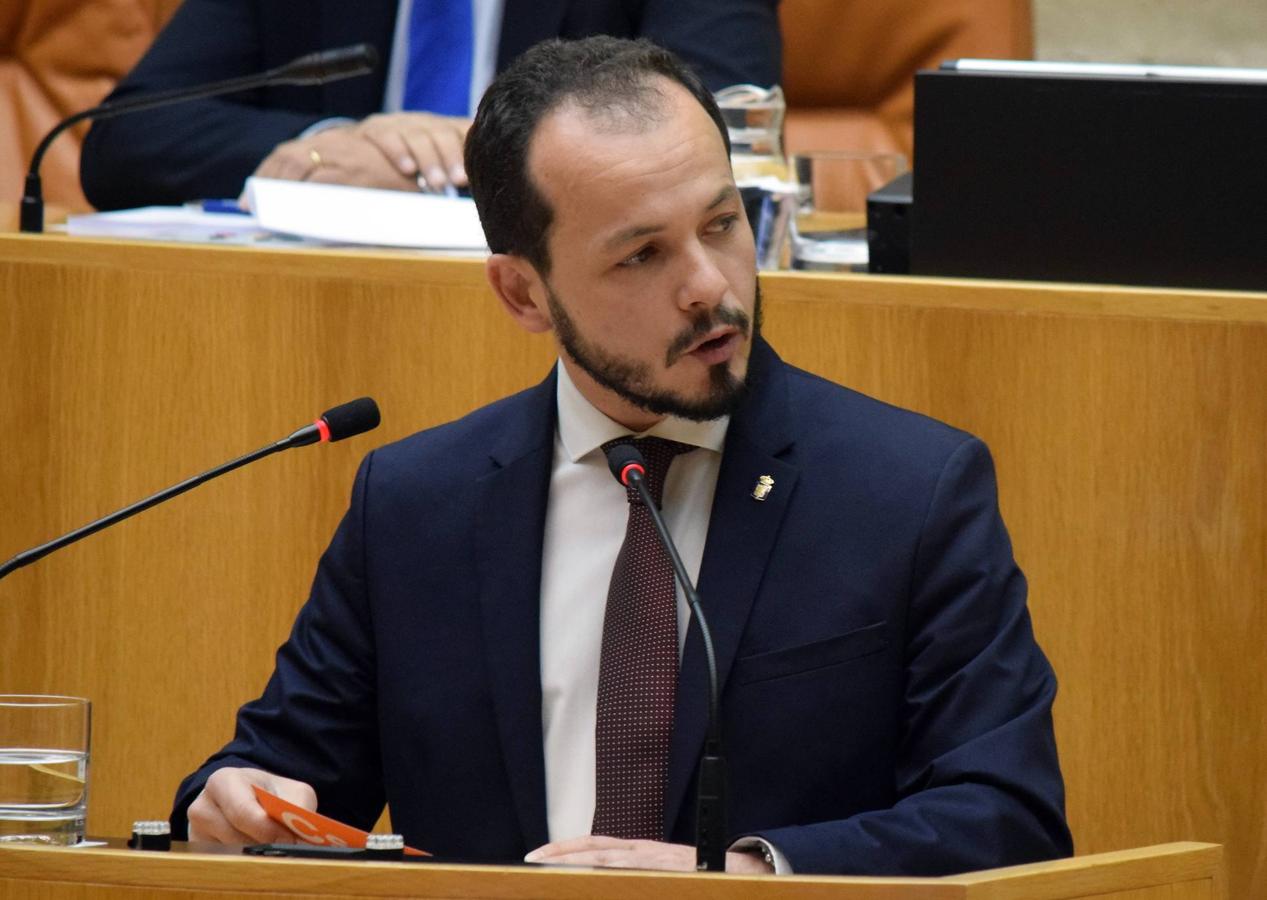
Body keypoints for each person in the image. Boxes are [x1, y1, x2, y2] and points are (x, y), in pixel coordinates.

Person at [172, 36, 1073, 875]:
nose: (708, 286)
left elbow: (1005, 815)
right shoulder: (416, 504)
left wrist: (742, 876)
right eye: (641, 255)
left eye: (721, 224)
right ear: (523, 293)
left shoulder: (906, 492)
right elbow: (276, 776)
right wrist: (231, 803)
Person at [78, 0, 781, 210]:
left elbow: (721, 140)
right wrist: (339, 143)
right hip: (313, 312)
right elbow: (123, 141)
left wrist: (475, 155)